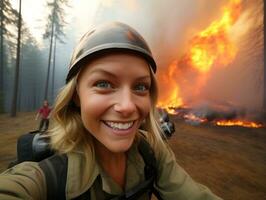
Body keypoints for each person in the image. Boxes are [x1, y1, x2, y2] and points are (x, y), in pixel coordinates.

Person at [0, 22, 222, 200]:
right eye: (104, 84)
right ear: (76, 95)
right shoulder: (45, 177)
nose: (127, 106)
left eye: (140, 87)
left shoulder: (151, 150)